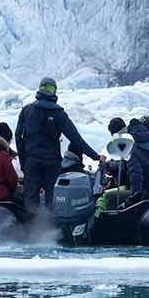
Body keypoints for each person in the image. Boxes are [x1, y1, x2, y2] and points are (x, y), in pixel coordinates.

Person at [15, 77, 103, 213]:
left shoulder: (27, 110)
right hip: (52, 161)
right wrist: (96, 156)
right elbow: (75, 138)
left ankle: (31, 229)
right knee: (52, 197)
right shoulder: (59, 113)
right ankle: (53, 228)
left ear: (39, 89)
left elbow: (18, 137)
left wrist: (23, 162)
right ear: (54, 92)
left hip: (32, 160)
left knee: (30, 198)